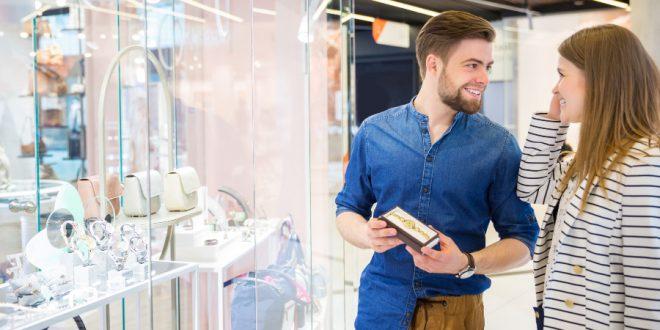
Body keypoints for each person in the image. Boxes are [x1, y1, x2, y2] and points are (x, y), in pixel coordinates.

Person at [335, 11, 539, 330]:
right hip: (380, 306)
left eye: (487, 67)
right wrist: (364, 233)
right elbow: (348, 209)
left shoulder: (498, 146)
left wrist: (467, 262)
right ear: (434, 64)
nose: (483, 78)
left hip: (457, 313)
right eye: (471, 65)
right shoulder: (374, 132)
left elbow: (523, 241)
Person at [517, 24, 660, 329]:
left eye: (562, 74)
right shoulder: (587, 161)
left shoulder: (644, 165)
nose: (555, 88)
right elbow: (531, 187)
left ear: (598, 81)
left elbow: (649, 298)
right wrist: (553, 121)